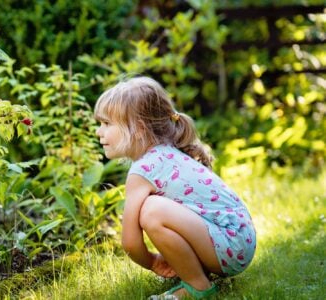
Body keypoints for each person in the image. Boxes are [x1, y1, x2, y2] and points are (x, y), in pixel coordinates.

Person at [94, 76, 256, 299]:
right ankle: (195, 273)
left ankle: (198, 287)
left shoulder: (143, 170)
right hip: (237, 240)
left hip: (229, 245)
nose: (98, 132)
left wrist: (153, 262)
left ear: (139, 129)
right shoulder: (166, 153)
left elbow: (130, 242)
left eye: (106, 124)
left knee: (151, 211)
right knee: (154, 209)